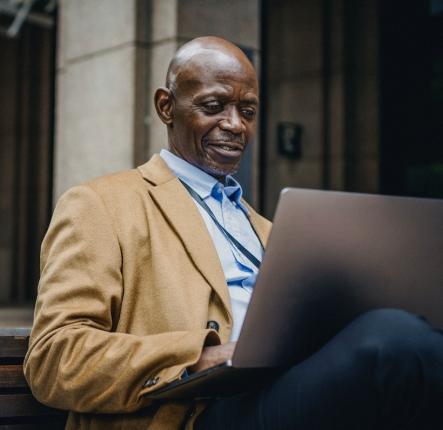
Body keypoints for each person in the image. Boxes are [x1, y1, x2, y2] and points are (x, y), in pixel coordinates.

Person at [24, 36, 443, 430]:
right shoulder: (102, 204)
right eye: (213, 106)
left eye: (248, 111)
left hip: (285, 390)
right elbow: (54, 358)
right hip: (193, 413)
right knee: (393, 342)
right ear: (166, 107)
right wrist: (201, 357)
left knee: (403, 338)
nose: (236, 125)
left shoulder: (270, 229)